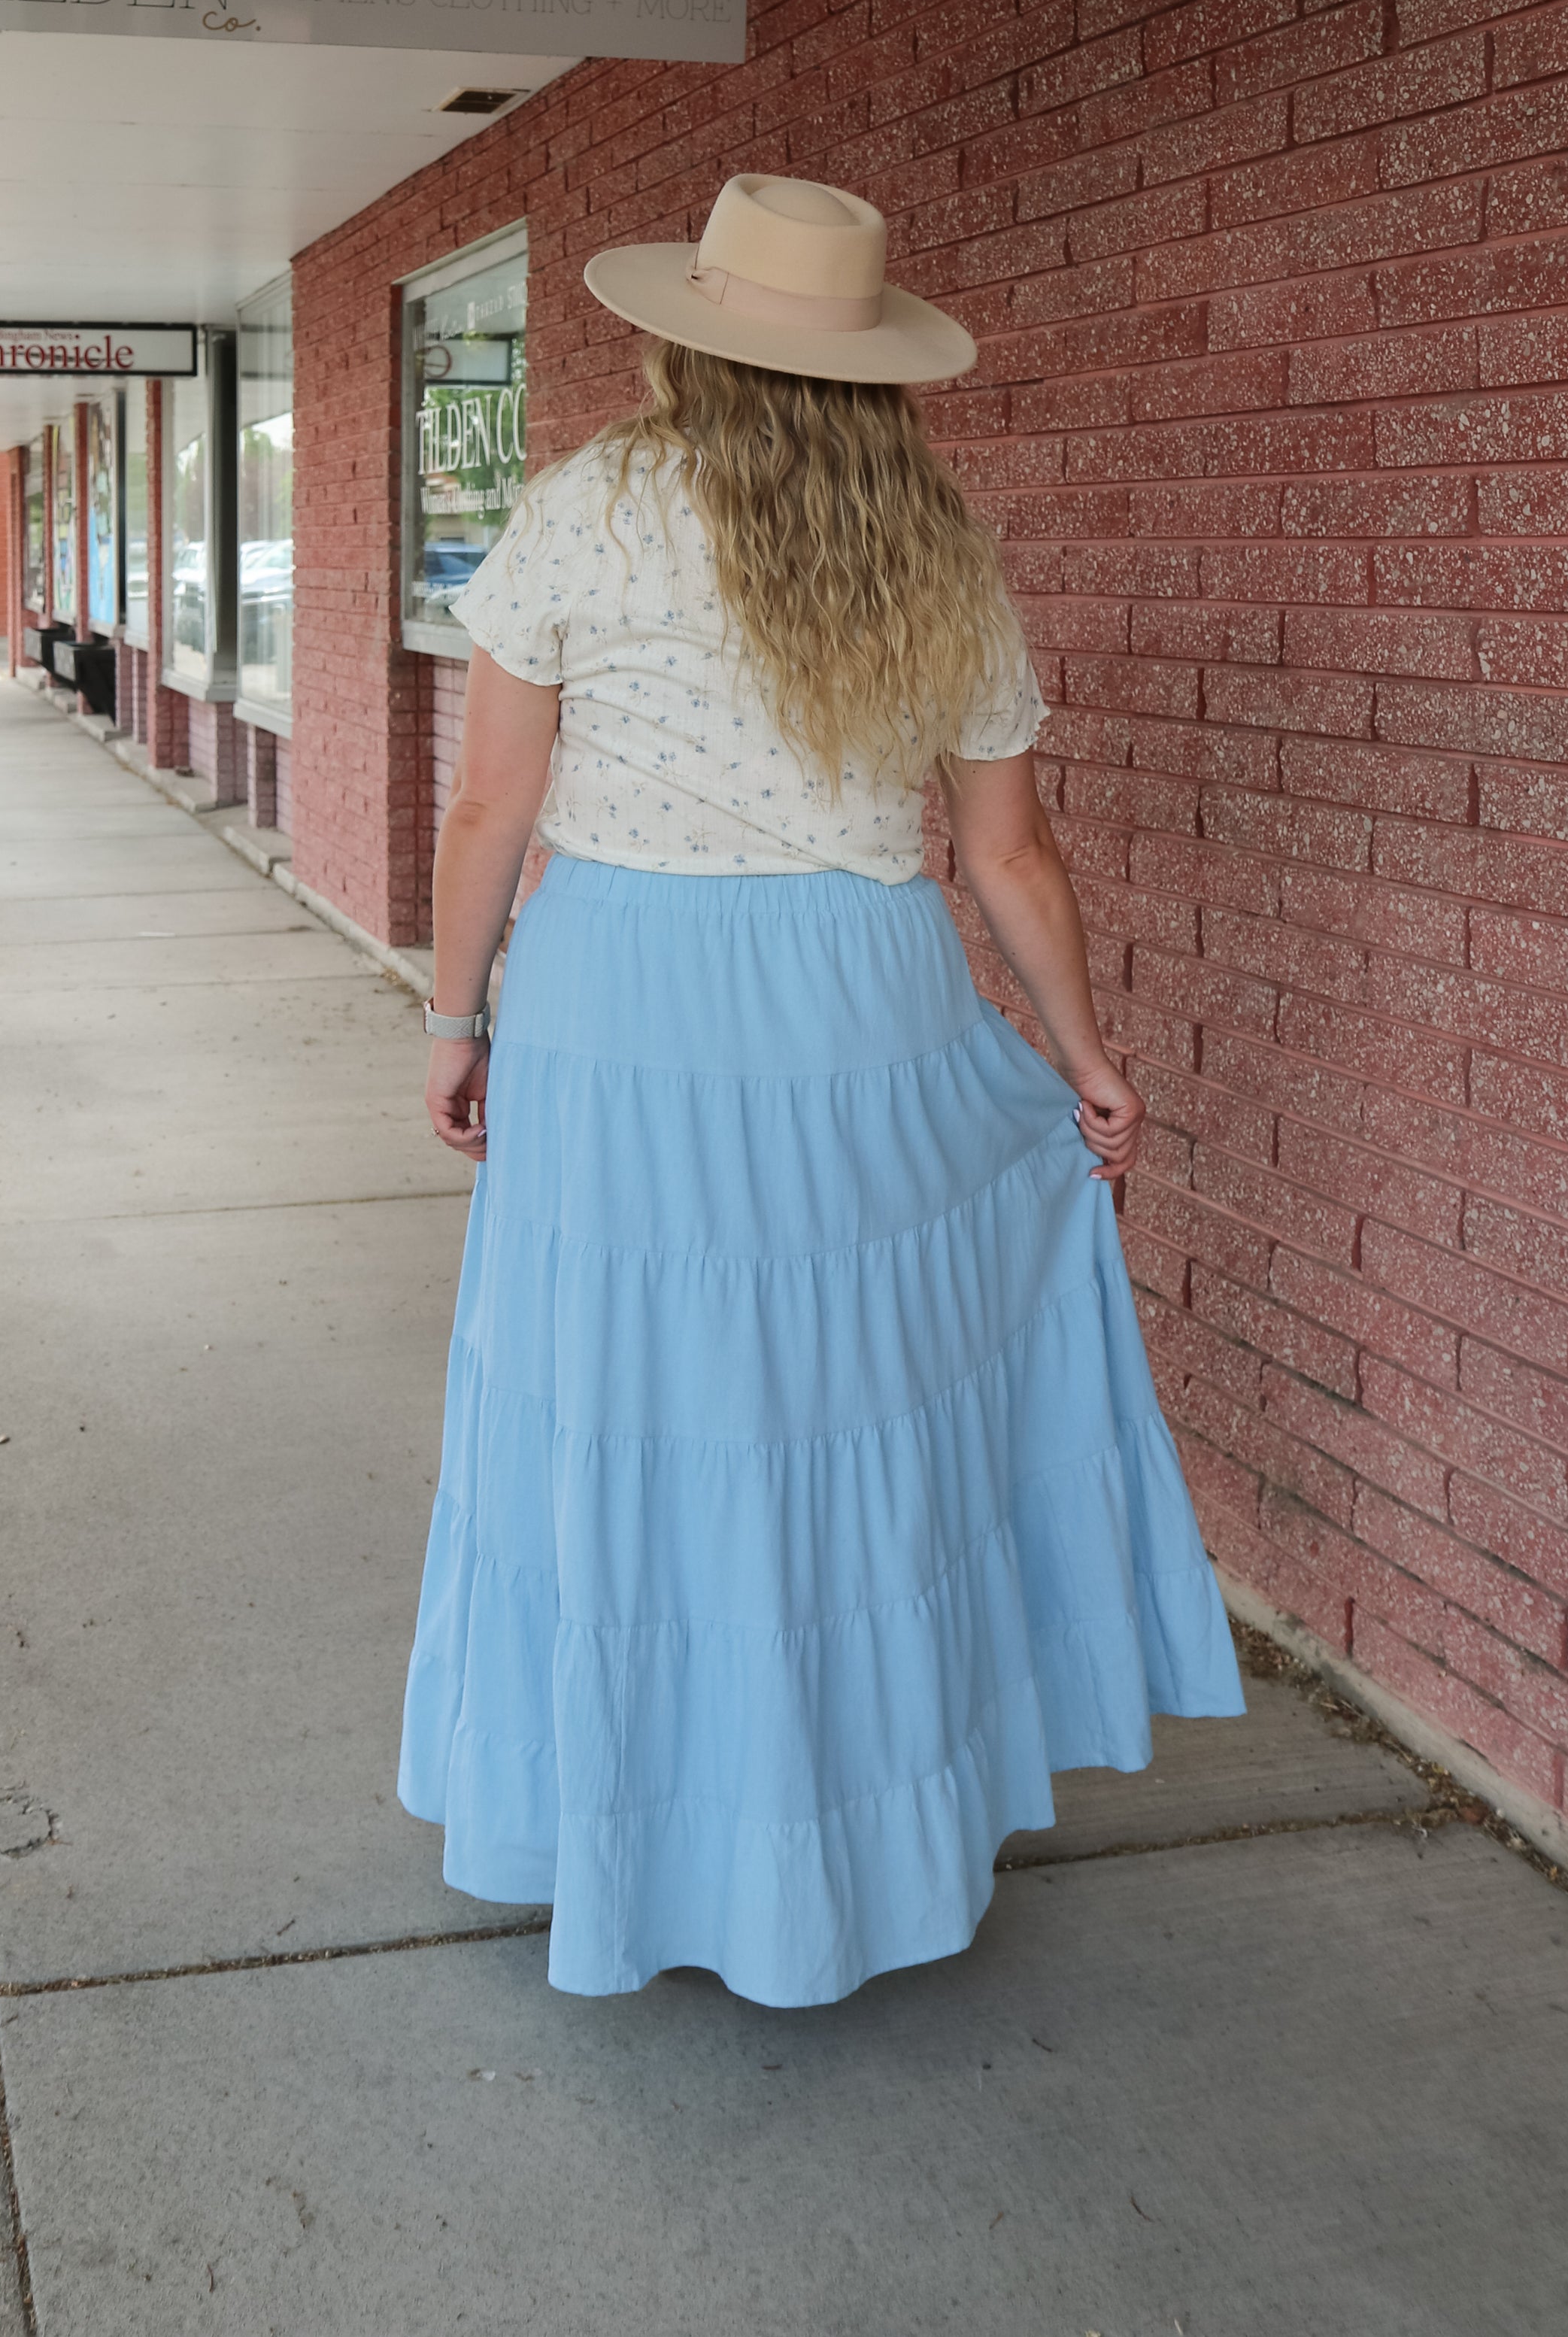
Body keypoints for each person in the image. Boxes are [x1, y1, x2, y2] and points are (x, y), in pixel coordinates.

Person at [399, 172, 1243, 2007]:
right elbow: (1010, 858)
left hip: (621, 1004)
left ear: (684, 336)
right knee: (844, 1403)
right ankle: (851, 1849)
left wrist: (456, 1017)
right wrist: (1087, 1067)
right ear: (869, 368)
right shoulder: (936, 549)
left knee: (623, 1404)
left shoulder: (583, 513)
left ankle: (633, 1835)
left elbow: (488, 809)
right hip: (855, 1000)